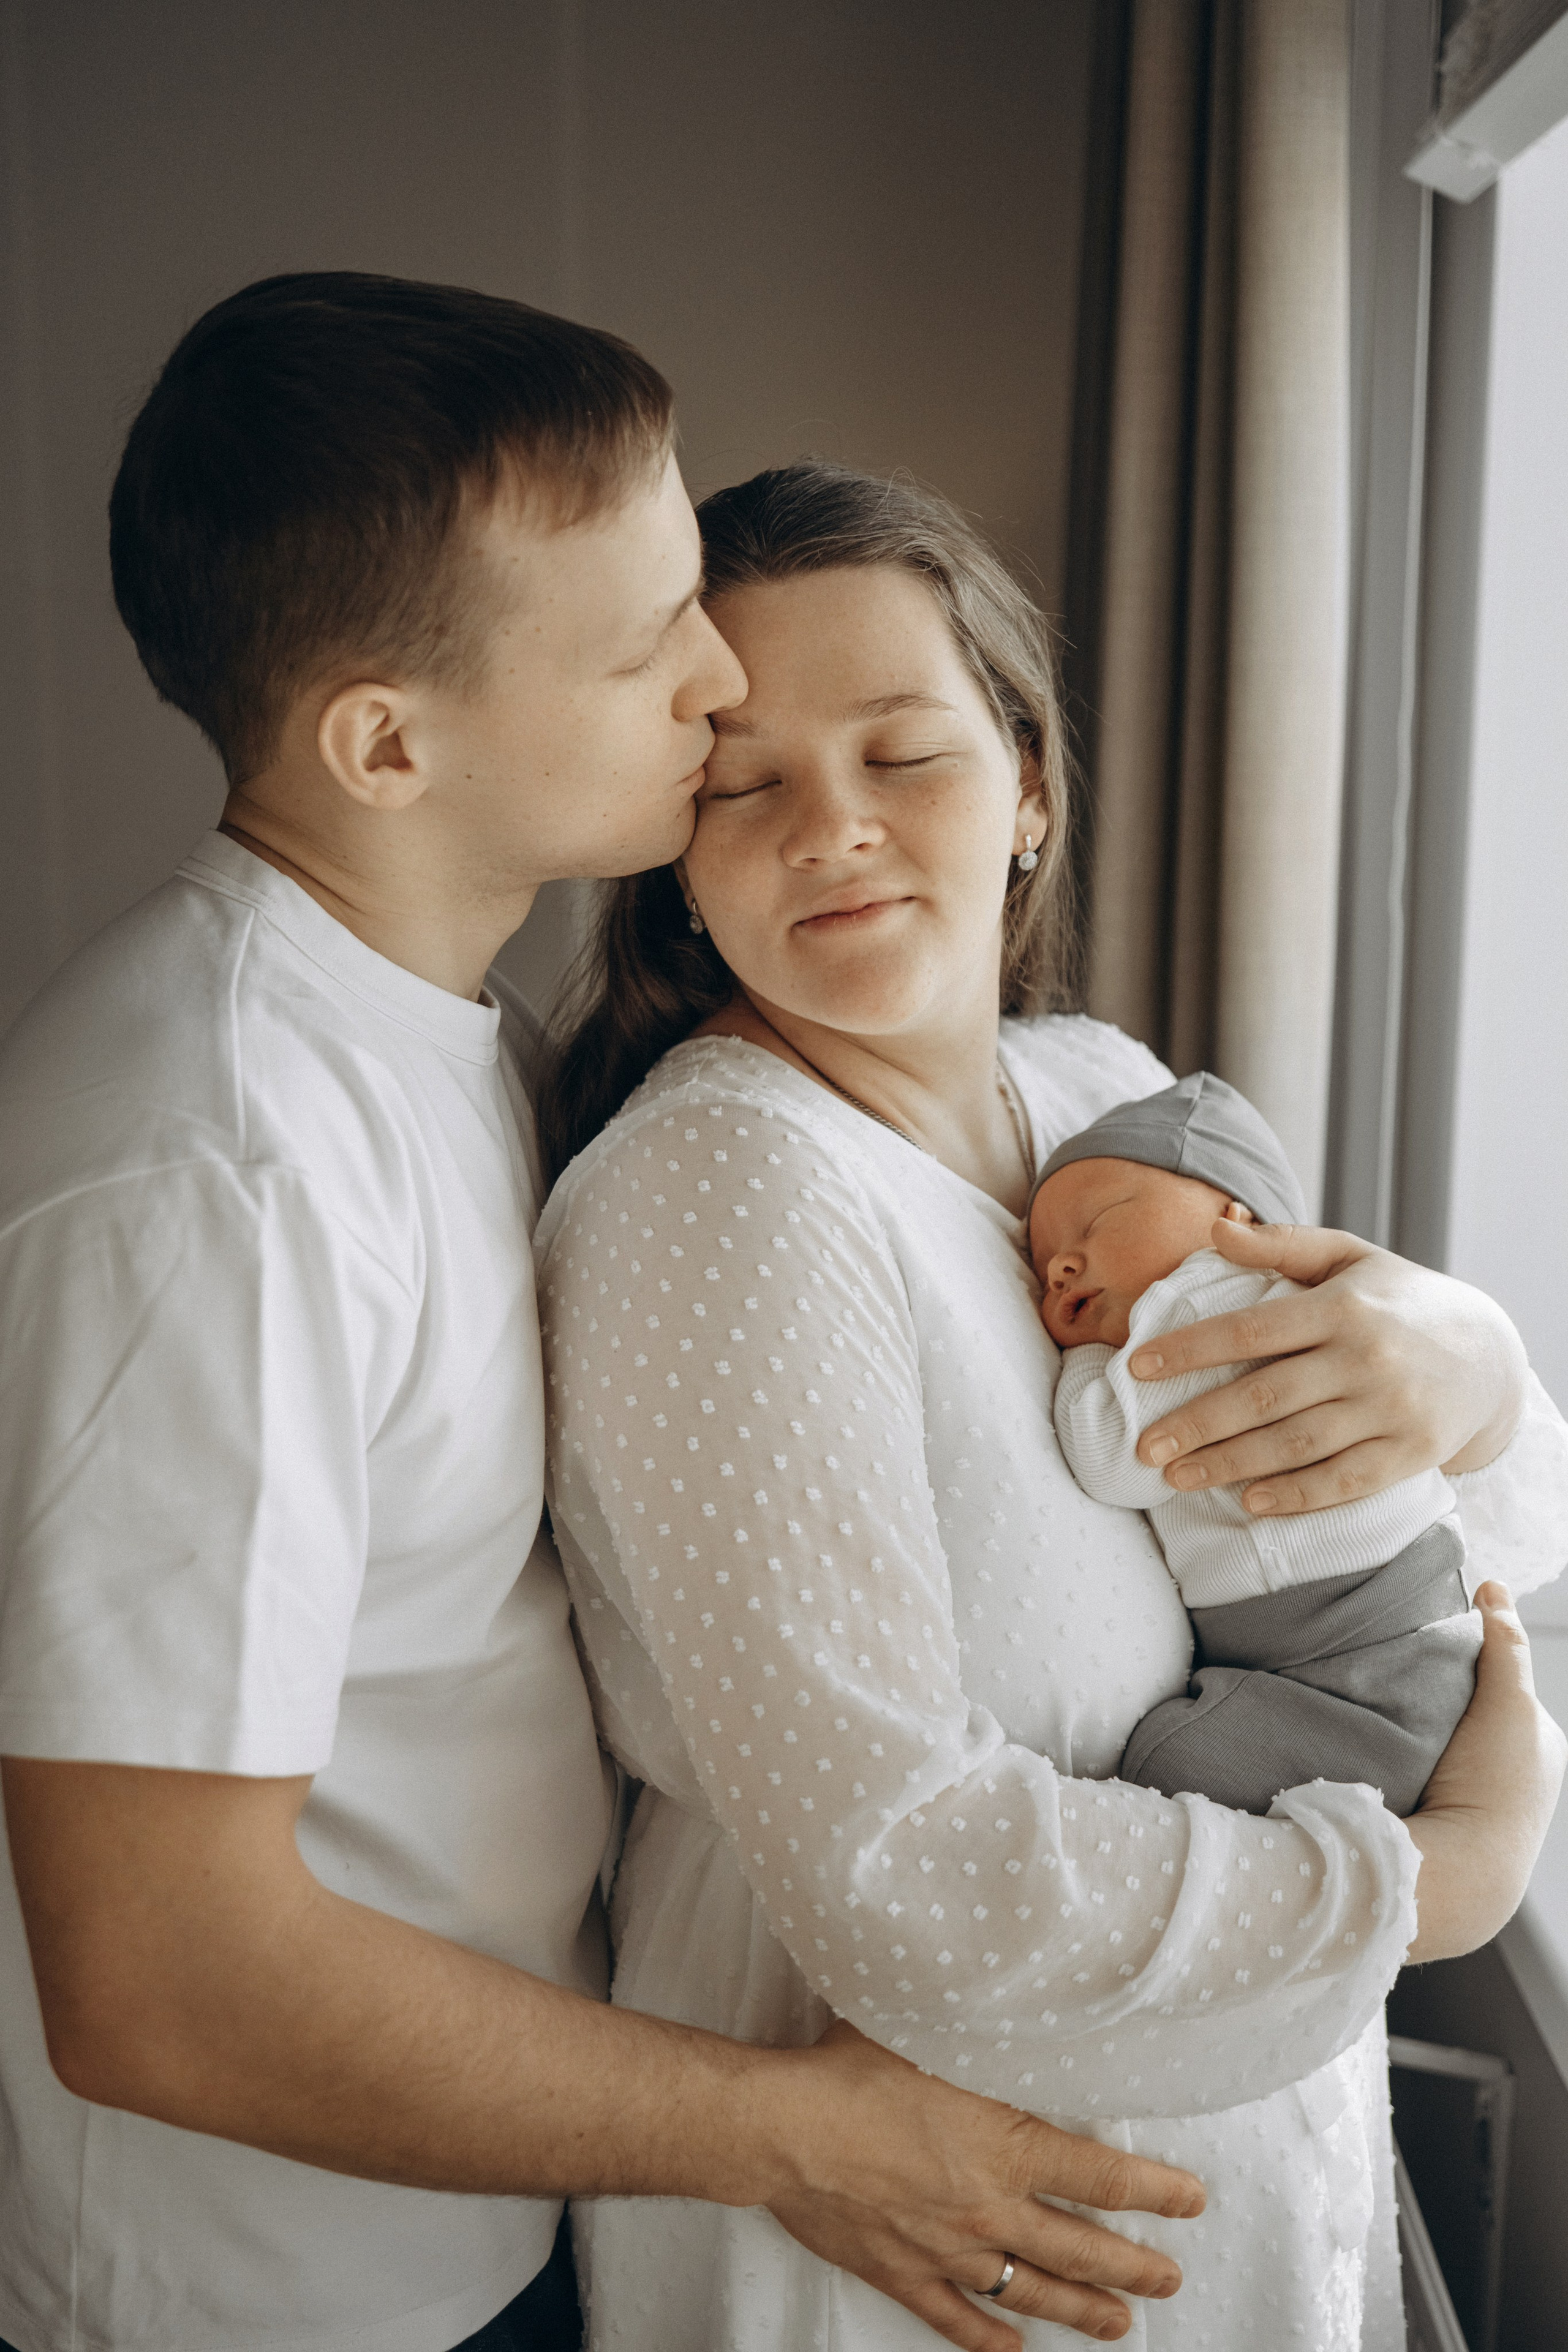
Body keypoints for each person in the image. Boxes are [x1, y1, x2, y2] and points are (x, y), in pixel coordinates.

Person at [0, 278, 1216, 2352]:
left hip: (494, 2216)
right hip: (285, 2302)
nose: (722, 671)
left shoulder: (433, 1037)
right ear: (388, 742)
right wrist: (801, 2137)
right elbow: (162, 1984)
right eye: (652, 636)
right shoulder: (215, 1165)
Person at [533, 459, 1568, 2350]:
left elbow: (1375, 1528)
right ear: (674, 857)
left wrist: (1477, 1373)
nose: (830, 827)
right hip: (918, 2241)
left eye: (901, 751)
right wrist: (1431, 1884)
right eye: (745, 780)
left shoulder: (1095, 1091)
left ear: (1023, 782)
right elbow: (893, 1863)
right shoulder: (726, 1193)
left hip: (1236, 2178)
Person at [1031, 1071, 1481, 1816]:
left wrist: (1079, 1360)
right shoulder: (1288, 1310)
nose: (1058, 1266)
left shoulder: (1206, 1299)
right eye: (1041, 1260)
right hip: (1397, 1633)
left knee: (1164, 1772)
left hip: (1349, 1654)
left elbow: (1109, 1458)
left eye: (1097, 1220)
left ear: (1235, 1219)